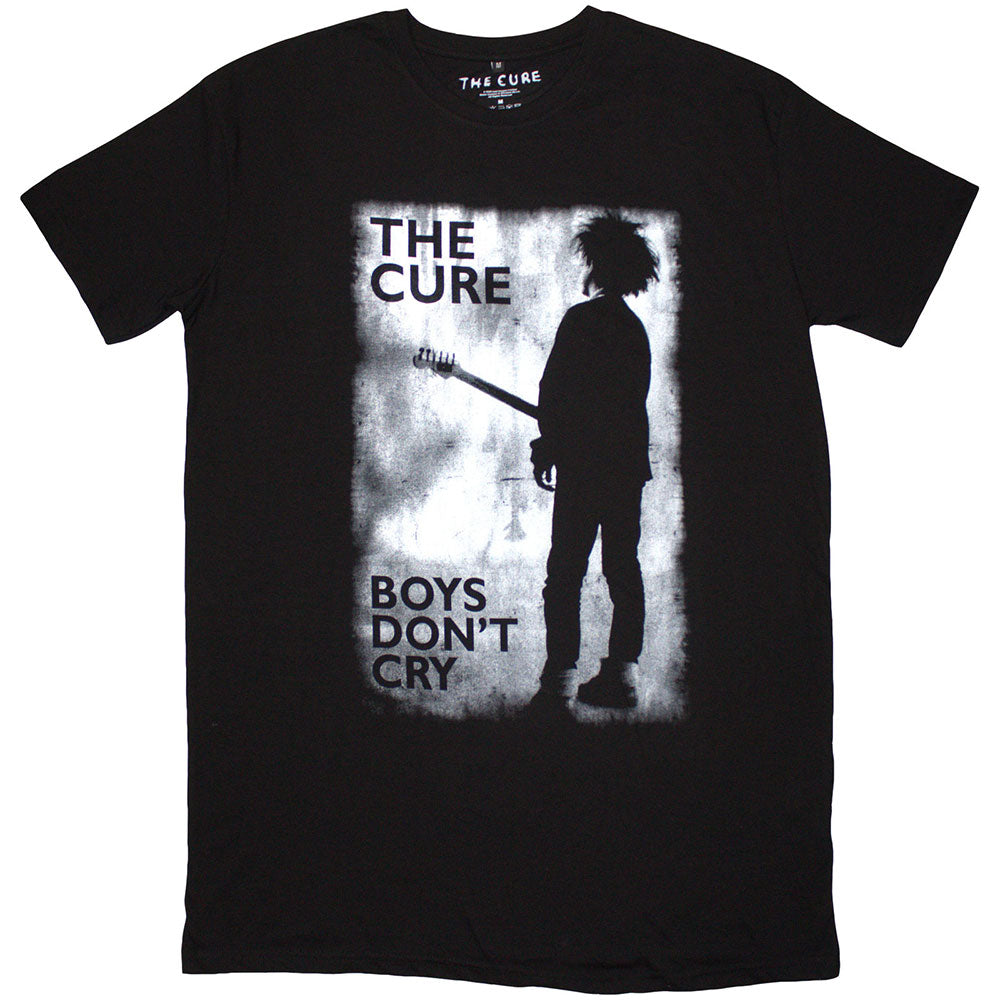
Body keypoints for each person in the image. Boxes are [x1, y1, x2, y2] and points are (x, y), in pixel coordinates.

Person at [528, 211, 660, 714]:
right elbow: (628, 403)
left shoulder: (580, 320)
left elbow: (554, 392)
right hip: (625, 470)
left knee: (565, 573)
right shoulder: (635, 331)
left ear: (596, 265)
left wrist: (549, 446)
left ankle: (559, 685)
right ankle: (622, 679)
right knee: (623, 569)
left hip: (584, 470)